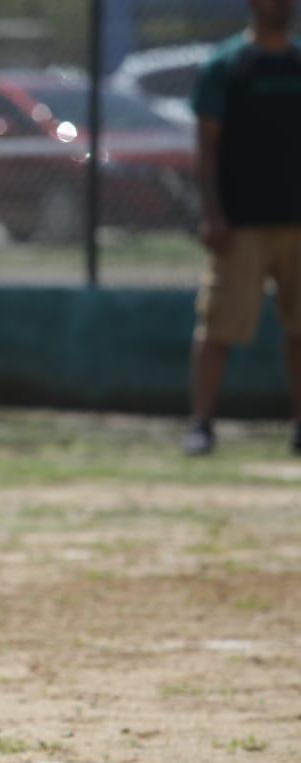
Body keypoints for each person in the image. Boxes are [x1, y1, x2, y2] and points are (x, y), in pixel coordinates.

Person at [183, 0, 301, 456]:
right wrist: (212, 212)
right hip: (242, 222)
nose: (283, 6)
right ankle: (200, 424)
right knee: (218, 327)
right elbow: (206, 145)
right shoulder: (227, 65)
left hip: (298, 220)